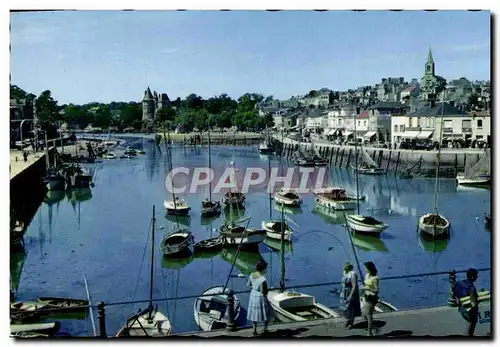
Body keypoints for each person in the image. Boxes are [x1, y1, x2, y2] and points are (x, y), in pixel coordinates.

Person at [247, 260, 272, 336]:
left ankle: (254, 330)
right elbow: (263, 291)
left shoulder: (252, 275)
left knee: (254, 313)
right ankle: (265, 329)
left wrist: (254, 287)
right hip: (259, 297)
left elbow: (248, 285)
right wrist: (268, 290)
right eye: (266, 268)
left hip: (252, 295)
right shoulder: (262, 279)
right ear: (263, 269)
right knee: (266, 312)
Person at [453, 268, 479, 336]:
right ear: (473, 277)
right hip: (468, 312)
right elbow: (473, 304)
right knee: (473, 321)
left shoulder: (459, 283)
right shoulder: (472, 288)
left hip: (461, 308)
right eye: (476, 275)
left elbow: (454, 292)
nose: (477, 277)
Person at [340, 262, 361, 329]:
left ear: (349, 267)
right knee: (346, 308)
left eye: (345, 266)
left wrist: (350, 296)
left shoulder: (353, 274)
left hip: (351, 292)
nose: (344, 267)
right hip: (345, 292)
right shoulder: (345, 273)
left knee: (351, 308)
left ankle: (350, 323)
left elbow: (354, 286)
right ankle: (349, 322)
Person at [362, 261, 379, 336]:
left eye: (366, 268)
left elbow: (376, 290)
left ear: (369, 268)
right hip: (366, 296)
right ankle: (373, 326)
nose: (365, 269)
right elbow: (366, 284)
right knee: (364, 315)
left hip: (372, 298)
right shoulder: (366, 275)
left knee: (369, 315)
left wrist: (367, 289)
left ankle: (369, 332)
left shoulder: (375, 278)